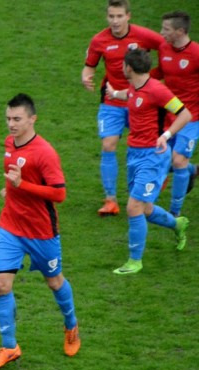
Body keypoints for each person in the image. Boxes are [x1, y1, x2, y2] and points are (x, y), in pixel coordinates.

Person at [0, 94, 81, 370]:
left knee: (54, 282)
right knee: (1, 285)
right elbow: (14, 177)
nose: (11, 124)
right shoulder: (9, 143)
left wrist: (21, 186)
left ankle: (71, 325)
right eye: (8, 118)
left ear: (32, 119)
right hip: (10, 226)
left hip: (41, 232)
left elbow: (59, 194)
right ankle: (10, 347)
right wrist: (10, 190)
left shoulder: (45, 153)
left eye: (17, 119)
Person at [106, 48, 192, 274]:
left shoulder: (157, 90)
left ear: (128, 68)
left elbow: (185, 114)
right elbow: (129, 94)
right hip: (134, 154)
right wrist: (114, 94)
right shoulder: (135, 86)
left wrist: (166, 135)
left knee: (133, 207)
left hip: (153, 156)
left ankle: (135, 261)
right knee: (144, 208)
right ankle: (177, 224)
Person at [81, 0, 164, 216]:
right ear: (107, 17)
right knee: (108, 145)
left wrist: (154, 76)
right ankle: (110, 200)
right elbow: (89, 66)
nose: (115, 21)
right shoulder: (99, 40)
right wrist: (86, 77)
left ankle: (171, 171)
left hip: (141, 101)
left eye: (119, 16)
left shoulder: (143, 35)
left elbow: (166, 49)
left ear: (128, 16)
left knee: (151, 146)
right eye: (111, 16)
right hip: (112, 99)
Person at [153, 11, 199, 216]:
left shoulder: (196, 53)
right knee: (160, 158)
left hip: (192, 117)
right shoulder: (164, 48)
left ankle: (175, 213)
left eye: (166, 29)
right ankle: (192, 171)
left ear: (180, 31)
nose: (161, 33)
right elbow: (160, 73)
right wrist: (138, 79)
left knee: (178, 160)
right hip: (169, 114)